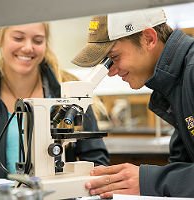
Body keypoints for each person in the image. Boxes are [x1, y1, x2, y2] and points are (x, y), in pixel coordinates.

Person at [71, 7, 194, 198]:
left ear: (149, 39)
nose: (111, 72)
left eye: (114, 57)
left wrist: (149, 180)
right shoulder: (175, 85)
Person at [0, 22, 109, 178]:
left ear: (46, 44)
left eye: (37, 40)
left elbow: (96, 161)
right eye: (18, 38)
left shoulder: (70, 91)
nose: (28, 47)